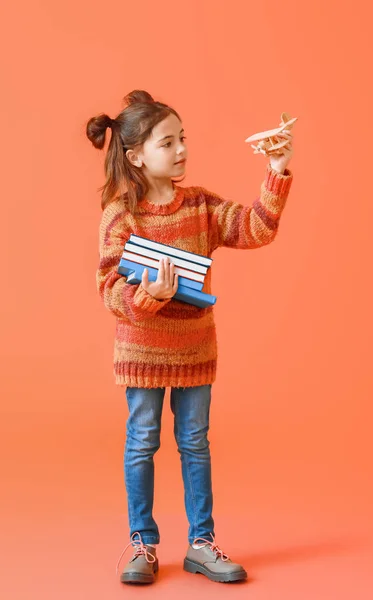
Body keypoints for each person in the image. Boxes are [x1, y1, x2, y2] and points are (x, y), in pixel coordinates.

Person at [86, 89, 294, 585]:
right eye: (167, 142)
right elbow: (108, 286)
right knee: (141, 442)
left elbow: (254, 228)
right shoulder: (120, 213)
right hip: (142, 353)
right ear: (136, 156)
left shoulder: (200, 206)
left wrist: (277, 172)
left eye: (183, 139)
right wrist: (146, 297)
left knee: (194, 443)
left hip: (195, 351)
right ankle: (143, 543)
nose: (181, 150)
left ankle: (201, 543)